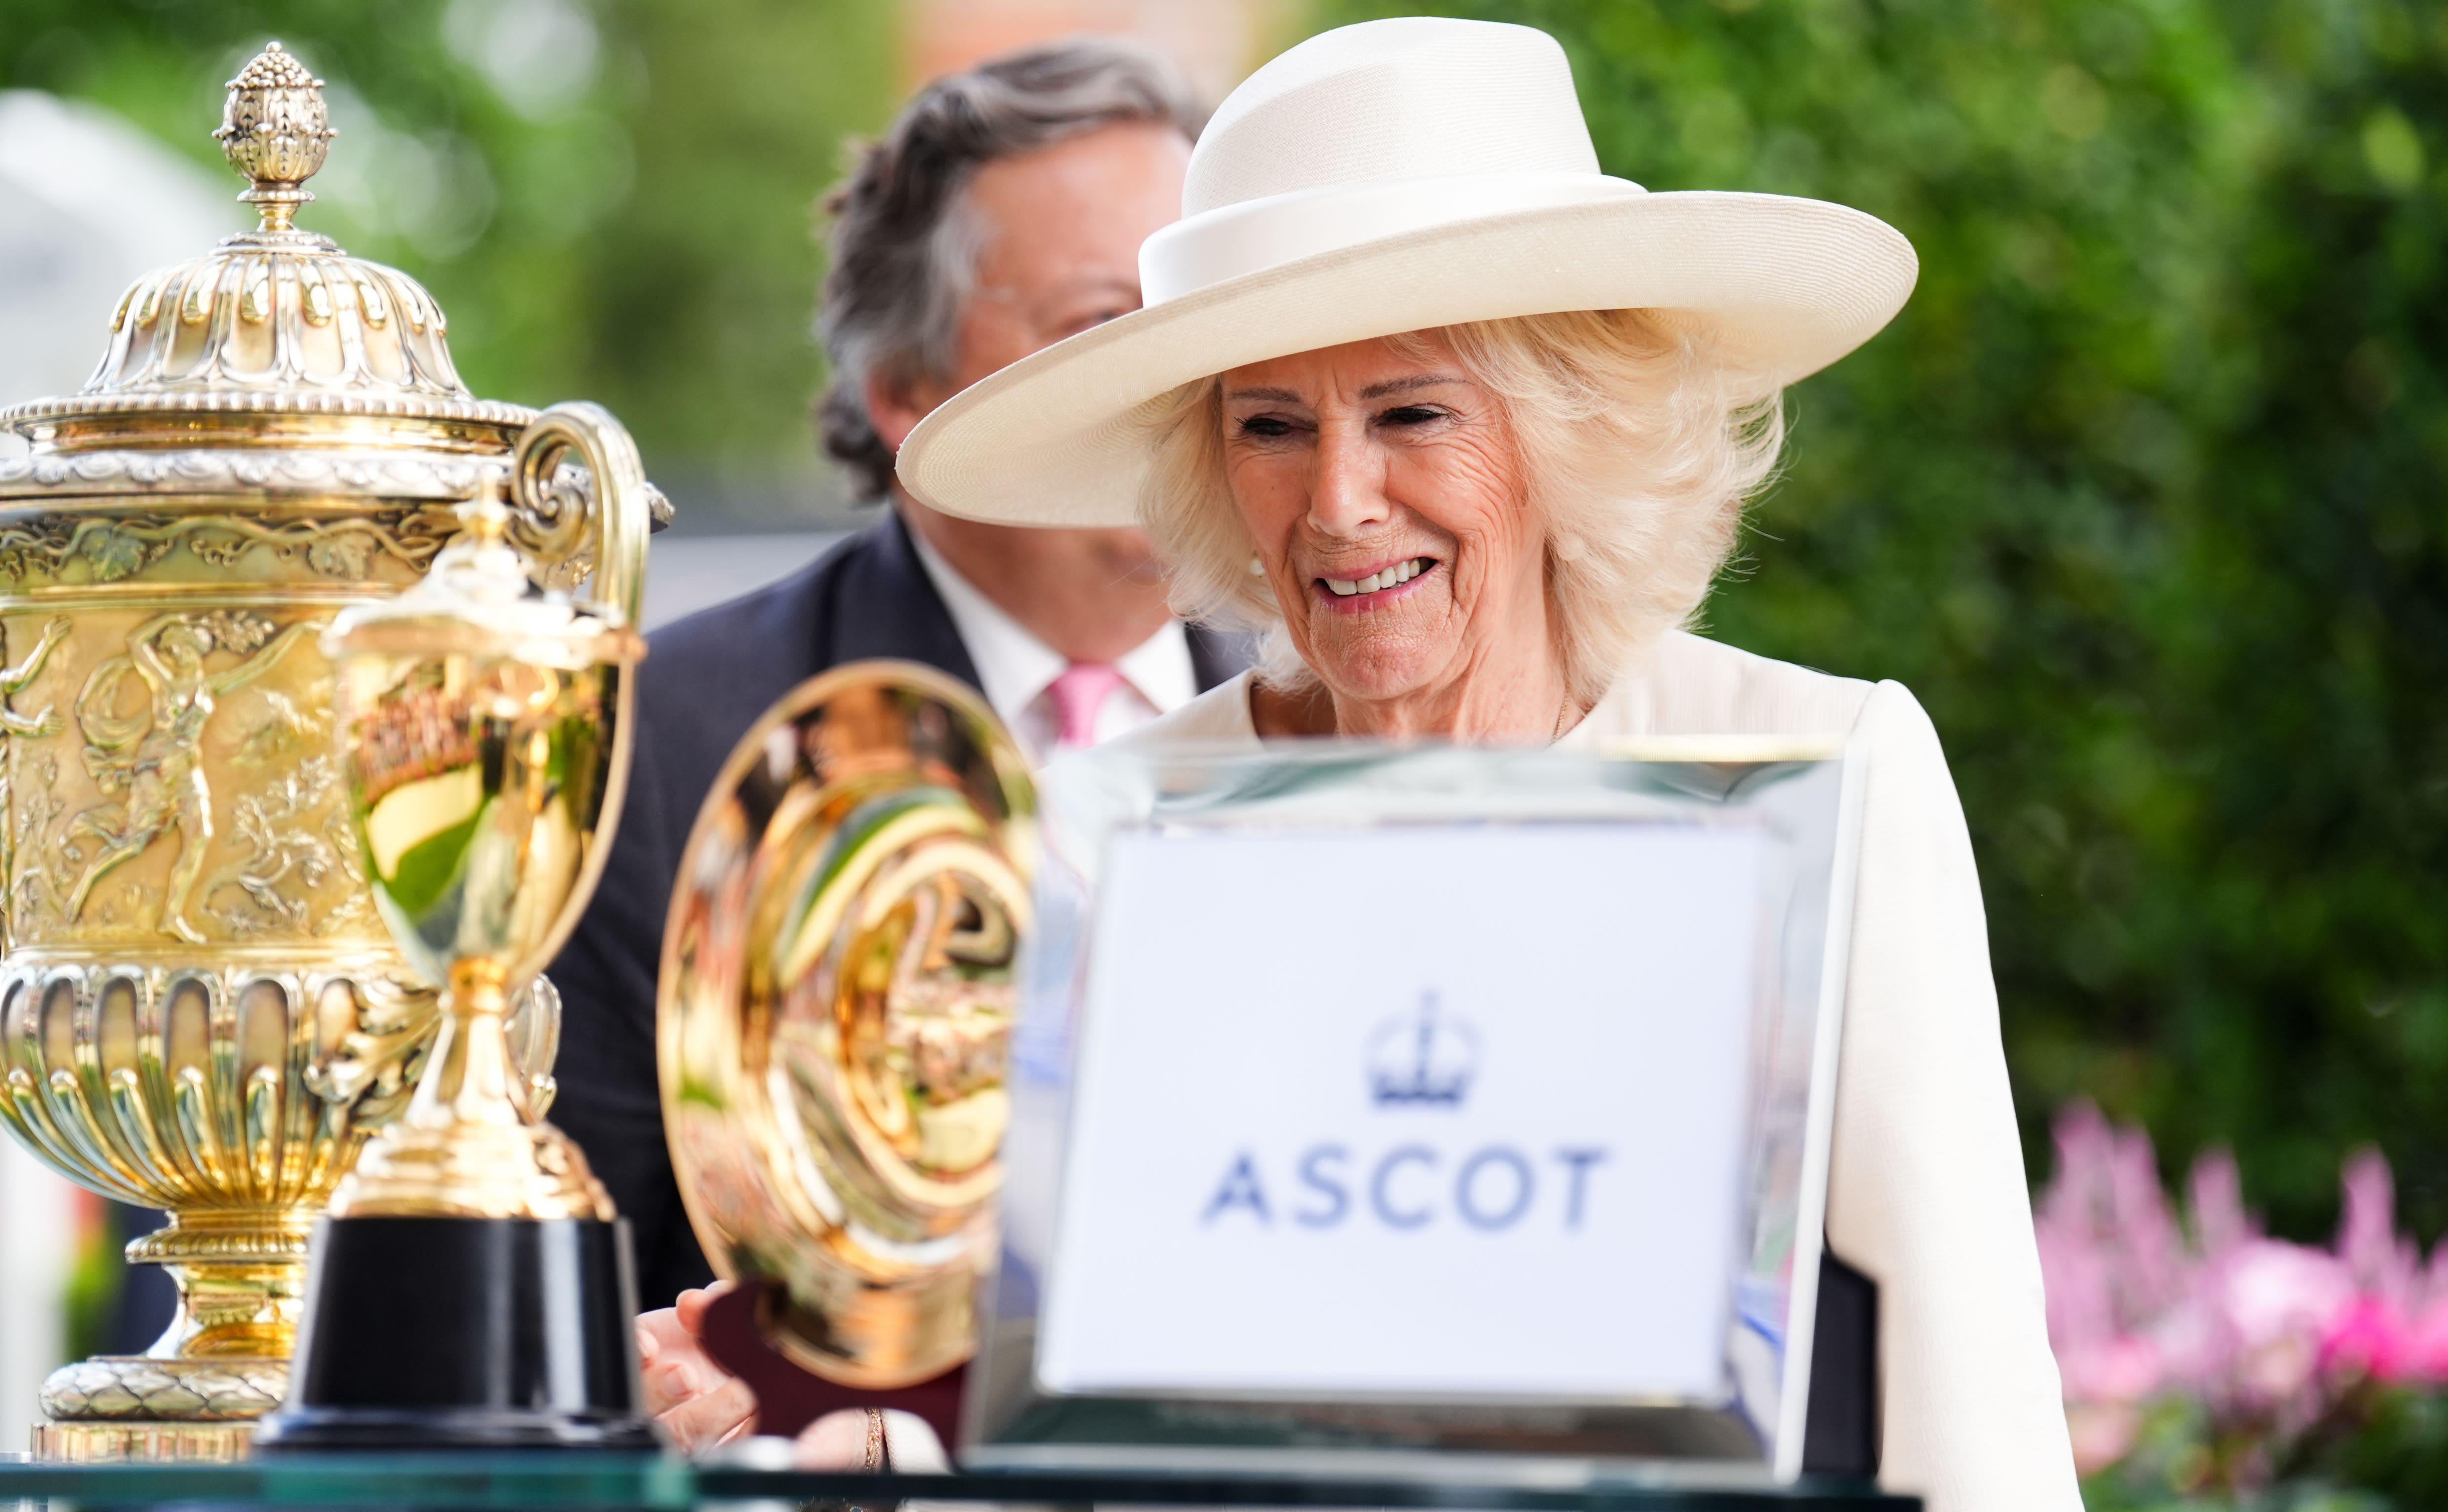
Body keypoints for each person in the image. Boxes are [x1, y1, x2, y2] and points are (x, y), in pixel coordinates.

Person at [883, 17, 2082, 1511]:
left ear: (1567, 430)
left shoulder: (1821, 766)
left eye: (1411, 414)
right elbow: (1064, 1375)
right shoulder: (1119, 827)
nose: (1337, 504)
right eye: (1270, 426)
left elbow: (1969, 1391)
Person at [543, 35, 1252, 1399]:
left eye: (1200, 322)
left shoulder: (1345, 724)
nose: (1178, 391)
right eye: (1104, 326)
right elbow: (581, 1308)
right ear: (906, 388)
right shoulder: (646, 754)